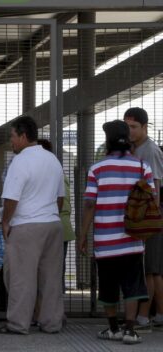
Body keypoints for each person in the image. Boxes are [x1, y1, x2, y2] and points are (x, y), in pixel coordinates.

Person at [78, 120, 152, 345]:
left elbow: (89, 204)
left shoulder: (97, 169)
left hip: (105, 241)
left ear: (108, 141)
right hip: (133, 239)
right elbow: (152, 200)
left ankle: (113, 329)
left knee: (108, 286)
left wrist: (83, 235)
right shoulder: (142, 167)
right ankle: (130, 330)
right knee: (132, 286)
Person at [0, 116, 64, 335]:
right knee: (51, 278)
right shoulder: (52, 159)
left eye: (13, 136)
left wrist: (6, 222)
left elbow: (11, 198)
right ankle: (51, 323)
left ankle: (18, 323)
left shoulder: (20, 161)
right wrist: (50, 212)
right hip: (52, 223)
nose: (11, 141)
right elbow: (60, 197)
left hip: (26, 225)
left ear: (23, 136)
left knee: (20, 277)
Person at [123, 107, 163, 332]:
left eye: (134, 127)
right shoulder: (135, 149)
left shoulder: (150, 151)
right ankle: (158, 314)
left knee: (149, 269)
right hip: (146, 217)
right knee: (154, 270)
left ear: (145, 127)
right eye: (127, 126)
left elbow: (155, 189)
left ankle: (144, 317)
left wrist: (148, 222)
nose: (129, 131)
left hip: (149, 218)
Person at [36, 139, 76, 293]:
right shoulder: (55, 171)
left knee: (54, 266)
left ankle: (54, 298)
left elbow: (61, 201)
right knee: (55, 265)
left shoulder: (52, 173)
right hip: (57, 225)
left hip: (55, 224)